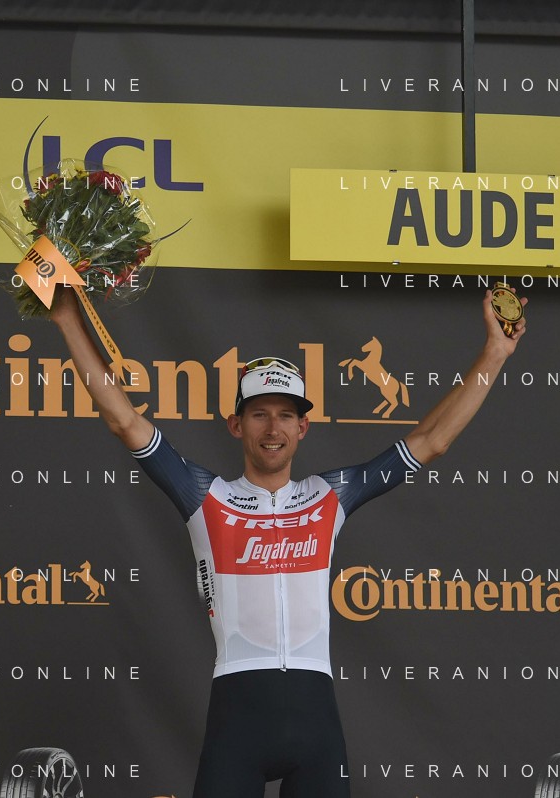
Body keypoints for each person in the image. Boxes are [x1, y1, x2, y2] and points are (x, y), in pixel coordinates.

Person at [49, 284, 528, 798]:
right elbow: (124, 420)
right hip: (237, 721)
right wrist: (68, 318)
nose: (272, 427)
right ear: (236, 425)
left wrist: (495, 353)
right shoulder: (205, 496)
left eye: (285, 415)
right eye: (259, 413)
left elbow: (433, 440)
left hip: (316, 726)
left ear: (304, 427)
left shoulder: (330, 495)